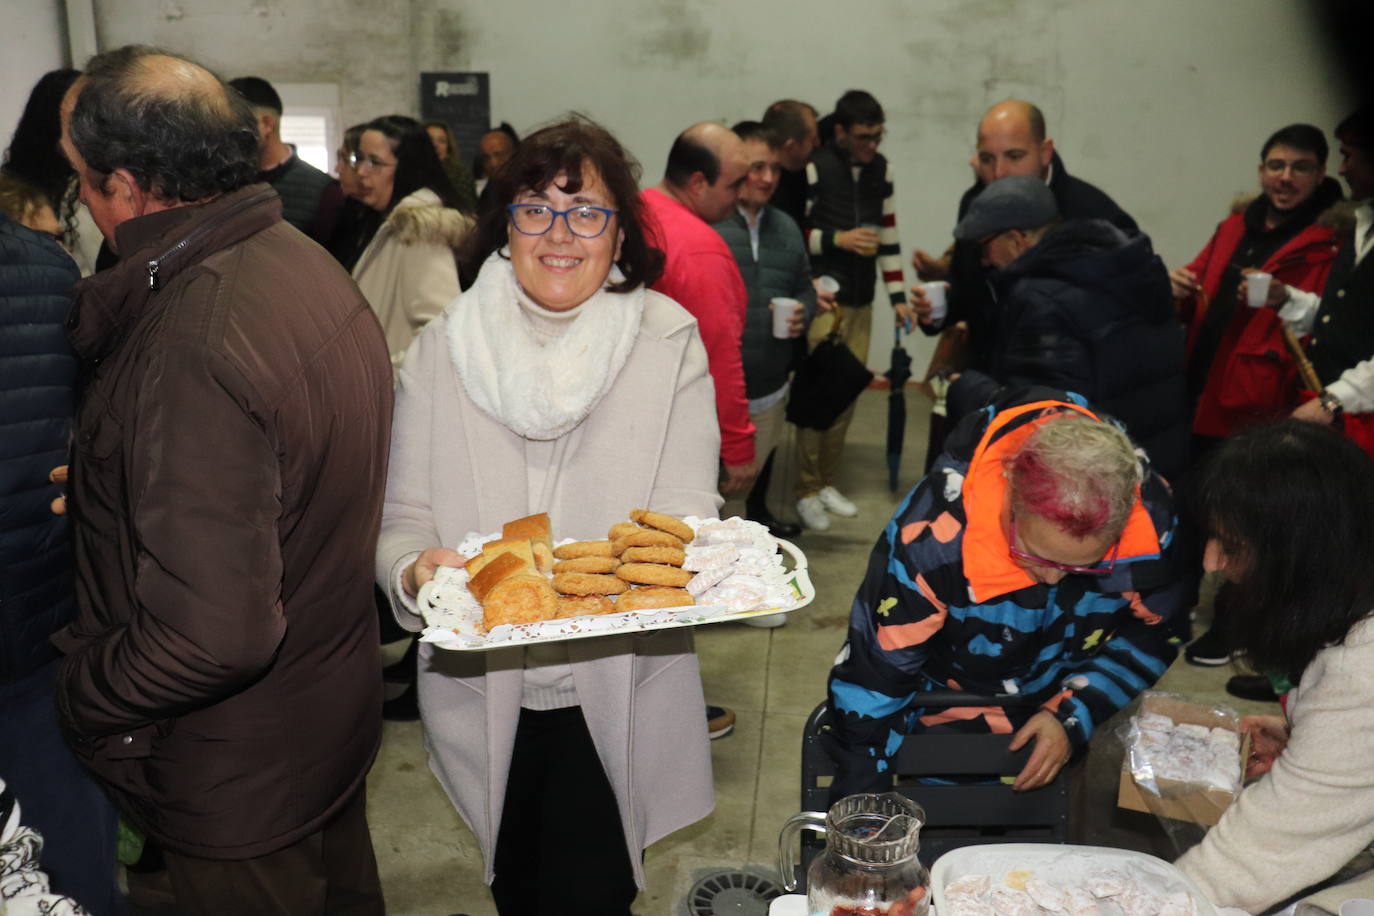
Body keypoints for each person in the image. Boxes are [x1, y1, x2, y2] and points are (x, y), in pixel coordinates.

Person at [54, 45, 392, 914]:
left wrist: (83, 692)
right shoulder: (297, 261)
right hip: (318, 725)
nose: (82, 204)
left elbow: (216, 635)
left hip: (237, 772)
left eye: (82, 182)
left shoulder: (195, 335)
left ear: (126, 188)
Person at [376, 116, 720, 915]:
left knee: (593, 893)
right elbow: (402, 518)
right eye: (537, 207)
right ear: (505, 225)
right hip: (482, 687)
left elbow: (685, 514)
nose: (561, 233)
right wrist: (411, 569)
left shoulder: (666, 341)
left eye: (588, 211)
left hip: (621, 685)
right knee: (518, 892)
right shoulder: (445, 349)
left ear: (620, 233)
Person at [825, 386, 1185, 800]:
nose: (1052, 579)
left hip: (1063, 715)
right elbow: (875, 679)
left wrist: (1075, 713)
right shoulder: (932, 538)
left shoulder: (1153, 522)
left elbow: (1159, 631)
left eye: (1085, 565)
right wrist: (860, 816)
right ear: (1010, 494)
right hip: (943, 712)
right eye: (1034, 555)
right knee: (947, 825)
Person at [1175, 421, 1374, 913]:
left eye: (1232, 544)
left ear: (1301, 555)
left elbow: (1258, 854)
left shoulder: (1362, 667)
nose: (1211, 563)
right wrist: (1310, 735)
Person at [1170, 124, 1344, 668]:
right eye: (1275, 165)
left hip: (1258, 399)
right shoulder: (1234, 225)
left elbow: (1333, 321)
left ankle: (1235, 624)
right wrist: (1180, 284)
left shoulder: (1328, 242)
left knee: (1246, 519)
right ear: (1260, 169)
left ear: (1321, 175)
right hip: (1203, 388)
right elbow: (1201, 276)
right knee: (1194, 504)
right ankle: (1177, 605)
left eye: (1299, 168)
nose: (1285, 178)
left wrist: (1286, 298)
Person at [0, 205, 123, 915]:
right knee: (72, 869)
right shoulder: (51, 271)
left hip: (42, 627)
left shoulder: (51, 275)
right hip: (47, 617)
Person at [910, 100, 1138, 470]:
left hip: (1074, 415)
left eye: (1014, 156)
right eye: (987, 159)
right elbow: (972, 287)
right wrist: (940, 309)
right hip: (993, 392)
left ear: (1046, 151)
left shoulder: (1094, 212)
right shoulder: (976, 201)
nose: (999, 173)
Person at [945, 175, 1189, 480]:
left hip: (1097, 484)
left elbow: (1044, 420)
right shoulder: (1131, 268)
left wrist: (967, 389)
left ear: (1017, 240)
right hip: (1154, 465)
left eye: (984, 248)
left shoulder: (1041, 300)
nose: (983, 261)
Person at [797, 89, 913, 530]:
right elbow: (795, 230)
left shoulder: (882, 169)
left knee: (845, 397)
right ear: (841, 132)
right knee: (816, 398)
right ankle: (805, 488)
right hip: (824, 299)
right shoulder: (815, 167)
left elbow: (889, 235)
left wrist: (898, 298)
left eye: (878, 136)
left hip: (863, 301)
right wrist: (835, 240)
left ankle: (825, 480)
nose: (873, 145)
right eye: (864, 137)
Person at [713, 120, 820, 548]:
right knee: (713, 494)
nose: (768, 178)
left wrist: (805, 313)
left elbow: (804, 286)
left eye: (774, 168)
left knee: (751, 485)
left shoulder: (787, 228)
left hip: (771, 387)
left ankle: (750, 563)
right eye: (757, 167)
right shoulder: (712, 226)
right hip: (716, 390)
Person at [641, 121, 756, 495]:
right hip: (677, 429)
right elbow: (719, 354)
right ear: (697, 183)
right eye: (735, 184)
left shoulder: (635, 210)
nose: (742, 194)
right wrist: (737, 445)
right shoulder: (699, 249)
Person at [351, 114, 471, 369]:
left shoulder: (421, 232)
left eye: (374, 162)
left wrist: (387, 382)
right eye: (359, 158)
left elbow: (440, 334)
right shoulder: (384, 222)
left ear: (407, 167)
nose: (361, 171)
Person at [227, 76, 332, 237]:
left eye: (234, 126)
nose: (226, 136)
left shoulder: (323, 190)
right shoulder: (223, 182)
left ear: (266, 124)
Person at [761, 99, 820, 228]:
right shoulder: (764, 189)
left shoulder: (802, 171)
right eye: (813, 140)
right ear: (791, 147)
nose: (818, 144)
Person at [423, 118, 479, 216]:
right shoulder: (410, 173)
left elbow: (468, 211)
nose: (435, 145)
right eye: (430, 140)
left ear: (448, 148)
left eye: (442, 141)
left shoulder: (460, 174)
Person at [474, 122, 519, 216]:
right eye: (486, 158)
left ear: (513, 154)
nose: (493, 163)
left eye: (499, 155)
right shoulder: (488, 192)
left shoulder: (528, 187)